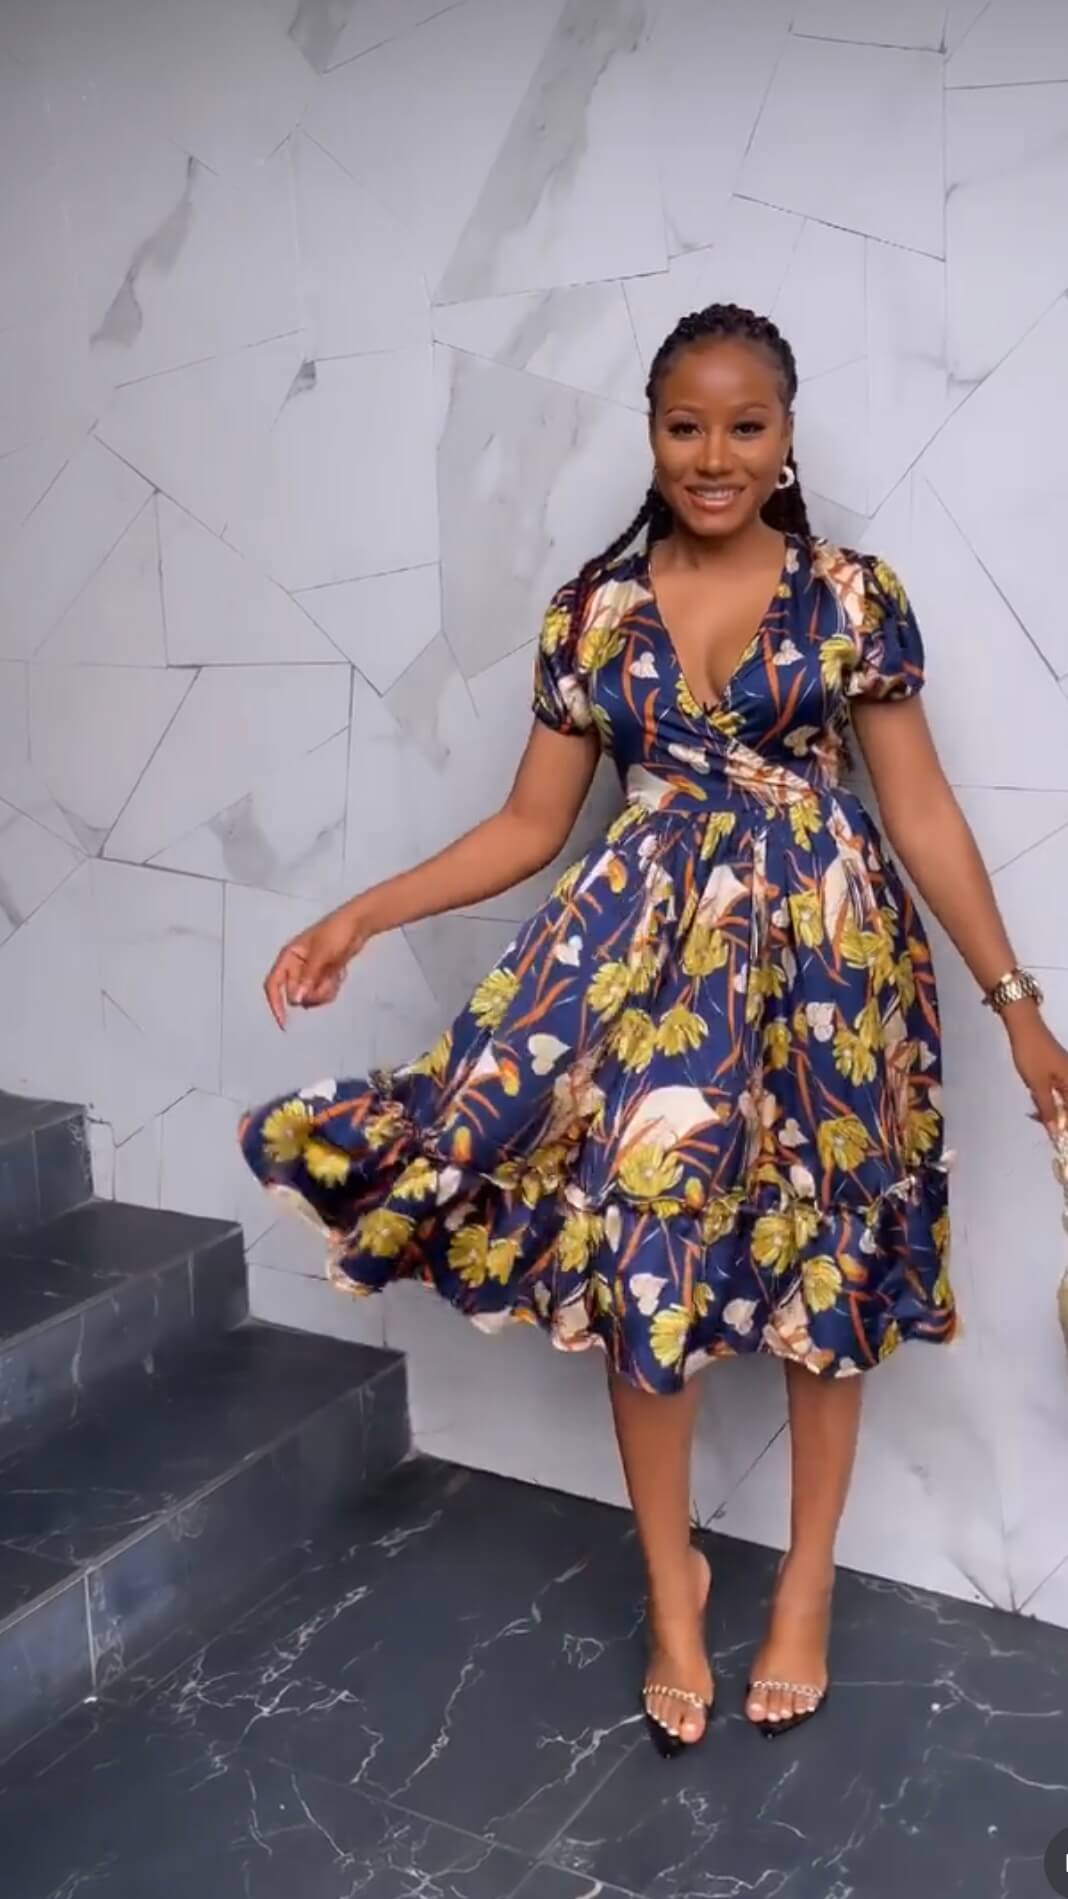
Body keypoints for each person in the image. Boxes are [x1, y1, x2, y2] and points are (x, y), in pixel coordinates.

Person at [239, 302, 1068, 1755]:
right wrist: (361, 914)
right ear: (653, 433)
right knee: (644, 1269)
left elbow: (922, 812)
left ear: (787, 437)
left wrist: (1019, 1008)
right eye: (688, 425)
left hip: (831, 978)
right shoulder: (595, 612)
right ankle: (672, 1588)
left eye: (746, 426)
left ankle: (806, 1581)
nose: (715, 455)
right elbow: (529, 825)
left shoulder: (851, 597)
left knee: (826, 1265)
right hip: (647, 978)